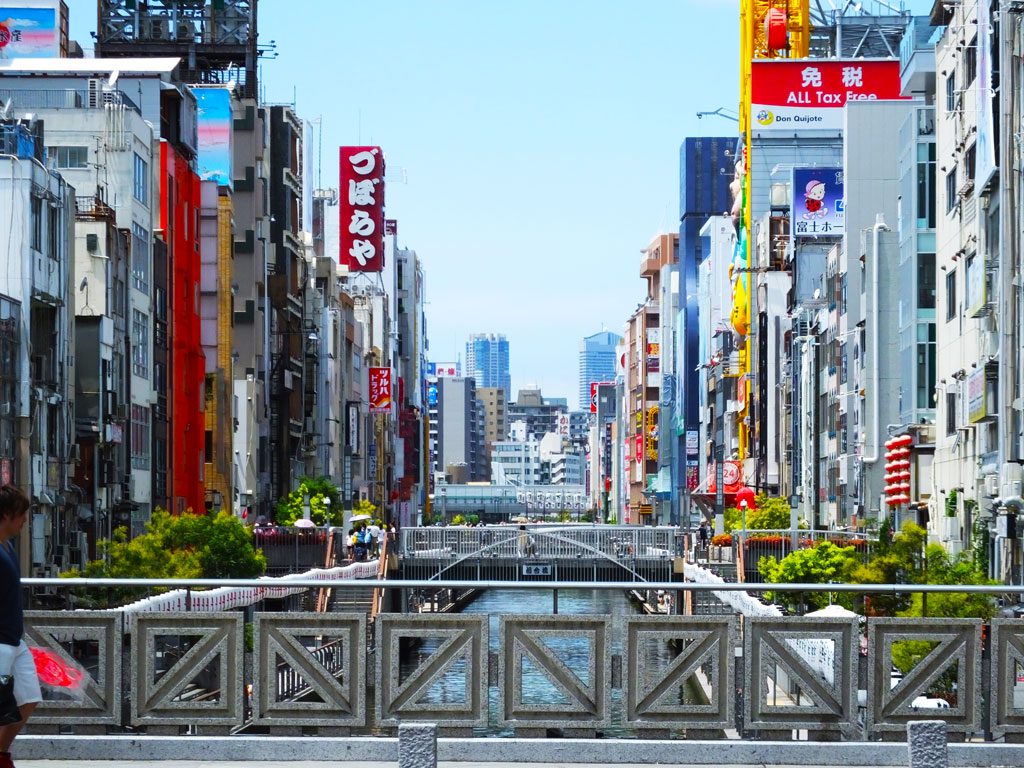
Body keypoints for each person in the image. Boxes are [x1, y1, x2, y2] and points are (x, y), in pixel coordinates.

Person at [0, 485, 41, 768]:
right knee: (1, 707)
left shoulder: (8, 546)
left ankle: (1, 753)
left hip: (15, 638)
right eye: (21, 515)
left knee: (29, 698)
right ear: (6, 515)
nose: (25, 520)